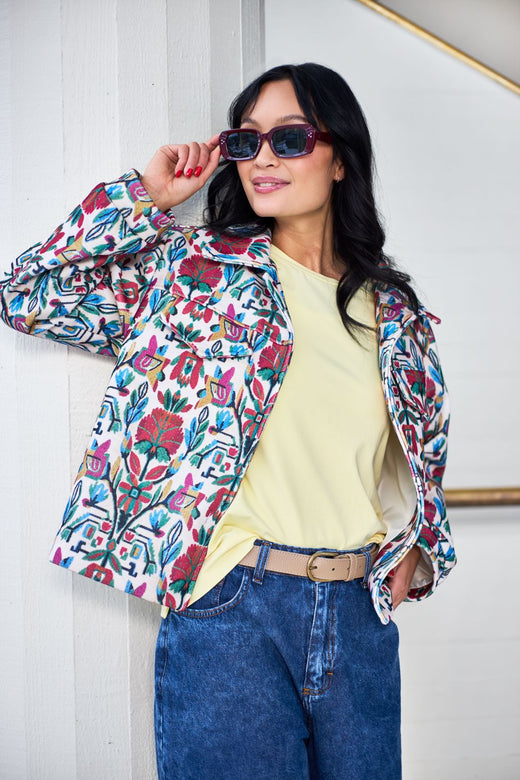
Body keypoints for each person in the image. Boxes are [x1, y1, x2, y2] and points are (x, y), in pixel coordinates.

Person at [0, 62, 455, 779]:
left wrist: (416, 550)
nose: (263, 158)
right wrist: (145, 197)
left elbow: (422, 455)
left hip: (359, 615)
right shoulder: (197, 272)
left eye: (290, 138)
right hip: (233, 606)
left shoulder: (396, 313)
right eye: (245, 142)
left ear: (341, 159)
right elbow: (29, 294)